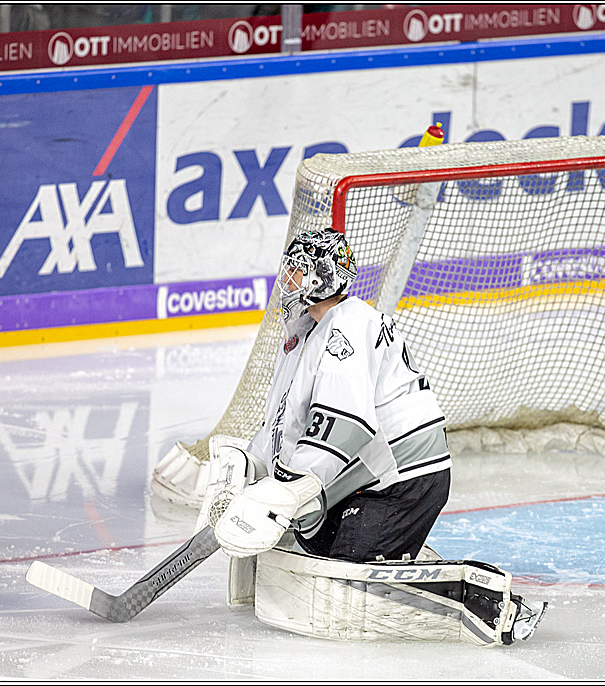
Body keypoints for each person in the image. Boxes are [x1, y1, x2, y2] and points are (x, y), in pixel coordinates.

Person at [209, 227, 546, 643]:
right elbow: (287, 426)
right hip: (367, 478)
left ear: (322, 277)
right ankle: (398, 555)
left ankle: (485, 600)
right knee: (307, 548)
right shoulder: (304, 337)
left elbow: (347, 419)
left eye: (297, 270)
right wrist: (251, 467)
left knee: (341, 577)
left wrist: (292, 489)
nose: (288, 280)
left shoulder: (347, 325)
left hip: (401, 480)